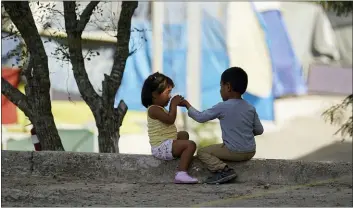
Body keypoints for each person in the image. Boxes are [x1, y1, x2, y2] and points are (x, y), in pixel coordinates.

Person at [180, 67, 264, 184]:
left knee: (202, 152)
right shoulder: (250, 107)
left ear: (228, 87)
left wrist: (187, 105)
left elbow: (200, 117)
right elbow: (259, 130)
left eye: (221, 86)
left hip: (234, 152)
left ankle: (223, 170)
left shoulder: (223, 106)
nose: (220, 90)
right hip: (250, 151)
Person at [141, 72, 198, 184]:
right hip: (161, 147)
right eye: (168, 92)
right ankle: (181, 173)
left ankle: (181, 158)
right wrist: (173, 104)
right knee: (191, 145)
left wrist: (176, 105)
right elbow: (170, 119)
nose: (170, 96)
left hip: (167, 142)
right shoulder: (153, 109)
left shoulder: (159, 108)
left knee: (183, 134)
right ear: (155, 94)